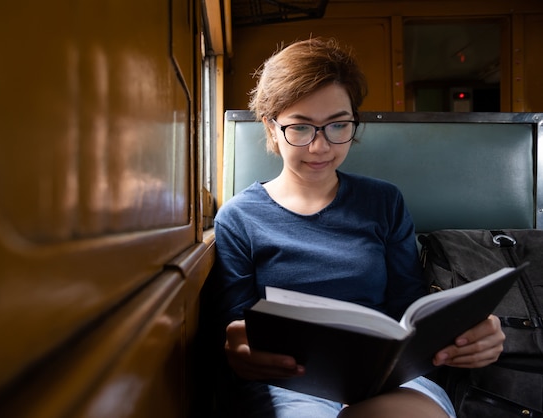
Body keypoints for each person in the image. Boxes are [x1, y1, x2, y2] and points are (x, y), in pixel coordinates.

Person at [208, 37, 505, 418]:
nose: (320, 147)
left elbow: (409, 309)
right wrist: (237, 349)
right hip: (288, 386)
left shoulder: (383, 202)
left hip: (389, 380)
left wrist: (468, 331)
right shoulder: (239, 218)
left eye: (338, 126)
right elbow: (232, 331)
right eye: (300, 128)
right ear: (270, 125)